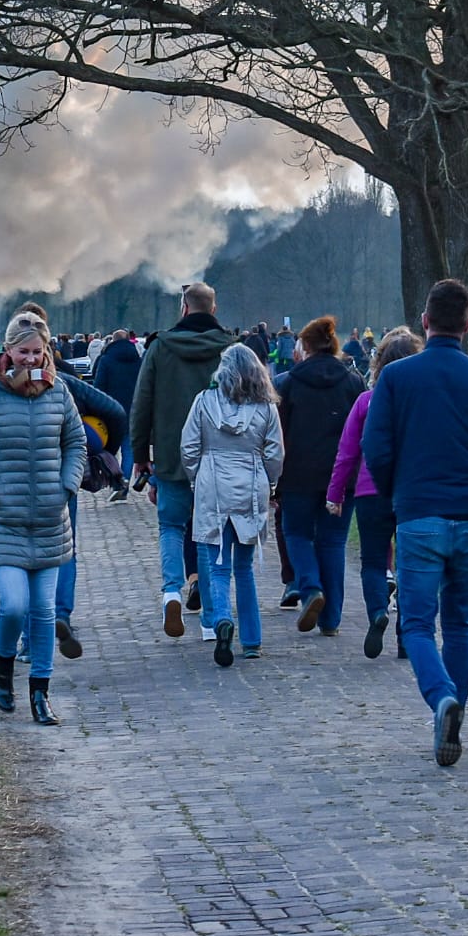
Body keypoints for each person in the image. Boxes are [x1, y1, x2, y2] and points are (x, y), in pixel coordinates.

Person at [362, 279, 468, 768]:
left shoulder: (396, 378)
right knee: (458, 623)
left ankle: (441, 698)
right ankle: (455, 715)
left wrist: (396, 491)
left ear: (425, 321)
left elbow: (375, 448)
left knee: (415, 624)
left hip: (418, 513)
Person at [0, 310, 85, 726]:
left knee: (44, 611)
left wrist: (67, 485)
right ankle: (3, 668)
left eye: (37, 352)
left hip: (49, 519)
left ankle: (40, 694)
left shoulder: (58, 391)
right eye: (23, 352)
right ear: (8, 350)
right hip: (4, 521)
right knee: (14, 606)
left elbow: (76, 443)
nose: (31, 359)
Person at [129, 282, 238, 639]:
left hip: (172, 455)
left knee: (171, 527)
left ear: (184, 308)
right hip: (218, 456)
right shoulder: (231, 349)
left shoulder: (160, 347)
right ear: (214, 309)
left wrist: (140, 456)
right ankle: (209, 620)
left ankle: (172, 592)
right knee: (208, 534)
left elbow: (142, 404)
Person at [180, 343, 285, 665]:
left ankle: (222, 618)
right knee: (244, 567)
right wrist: (270, 484)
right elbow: (275, 452)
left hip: (213, 483)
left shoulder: (203, 401)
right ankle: (251, 639)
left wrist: (197, 479)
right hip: (250, 484)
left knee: (218, 566)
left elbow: (189, 447)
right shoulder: (266, 408)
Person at [328, 327, 422, 658]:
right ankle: (405, 635)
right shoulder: (421, 405)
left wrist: (335, 493)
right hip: (411, 491)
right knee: (410, 562)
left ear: (378, 362)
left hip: (370, 490)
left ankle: (378, 610)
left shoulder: (366, 402)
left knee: (372, 559)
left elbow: (347, 453)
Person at [274, 315, 364, 637]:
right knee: (333, 542)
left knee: (296, 533)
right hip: (342, 477)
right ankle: (331, 620)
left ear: (305, 346)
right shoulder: (353, 382)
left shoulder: (287, 383)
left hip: (297, 475)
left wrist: (275, 480)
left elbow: (279, 435)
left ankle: (310, 588)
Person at [90, 328, 141, 502]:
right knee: (128, 450)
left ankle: (115, 480)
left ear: (112, 341)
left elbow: (98, 386)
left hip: (111, 411)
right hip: (133, 411)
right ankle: (123, 483)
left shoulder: (106, 360)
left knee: (109, 450)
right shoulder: (138, 360)